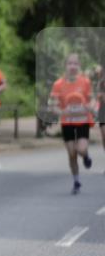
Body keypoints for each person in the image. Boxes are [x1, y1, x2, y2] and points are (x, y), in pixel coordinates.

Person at [49, 53, 95, 194]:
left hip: (82, 121)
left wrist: (89, 107)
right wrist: (62, 112)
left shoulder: (85, 82)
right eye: (70, 63)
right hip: (67, 123)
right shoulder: (58, 84)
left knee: (80, 149)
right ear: (65, 66)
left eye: (75, 64)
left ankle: (86, 156)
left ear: (79, 66)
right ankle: (76, 181)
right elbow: (53, 106)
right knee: (72, 154)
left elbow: (92, 100)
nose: (73, 66)